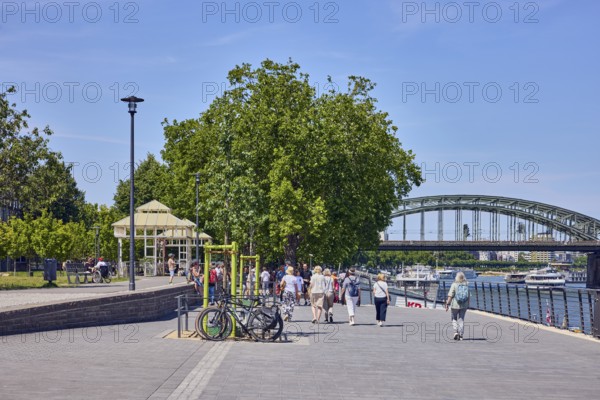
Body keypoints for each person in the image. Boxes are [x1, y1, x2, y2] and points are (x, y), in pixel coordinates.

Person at [445, 271, 470, 340]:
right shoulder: (466, 284)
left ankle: (455, 332)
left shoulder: (454, 284)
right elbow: (468, 296)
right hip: (464, 305)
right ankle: (461, 335)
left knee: (454, 318)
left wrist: (447, 304)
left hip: (455, 304)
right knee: (461, 319)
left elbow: (450, 295)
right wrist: (468, 304)